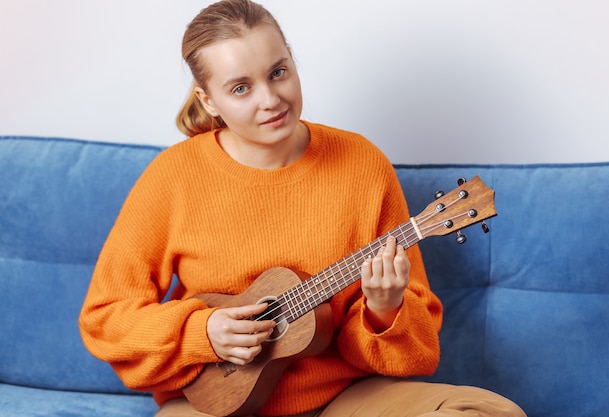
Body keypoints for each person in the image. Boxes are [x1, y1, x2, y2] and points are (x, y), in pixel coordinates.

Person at [79, 1, 527, 416]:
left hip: (345, 398)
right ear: (208, 100)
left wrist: (385, 309)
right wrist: (204, 334)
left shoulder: (363, 164)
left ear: (292, 60)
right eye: (241, 88)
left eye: (278, 72)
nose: (270, 100)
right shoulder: (172, 177)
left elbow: (418, 341)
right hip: (217, 405)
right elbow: (105, 318)